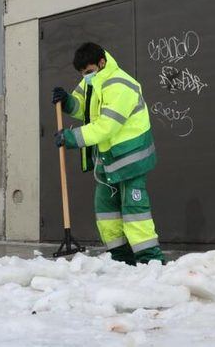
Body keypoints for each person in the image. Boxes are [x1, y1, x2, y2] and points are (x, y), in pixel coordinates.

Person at [52, 42, 165, 265]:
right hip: (107, 161)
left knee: (135, 212)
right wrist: (67, 101)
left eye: (88, 72)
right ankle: (120, 258)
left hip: (130, 159)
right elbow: (81, 106)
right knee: (106, 212)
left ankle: (151, 260)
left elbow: (106, 126)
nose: (85, 78)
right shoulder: (94, 80)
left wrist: (72, 137)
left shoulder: (120, 85)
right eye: (82, 74)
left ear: (101, 63)